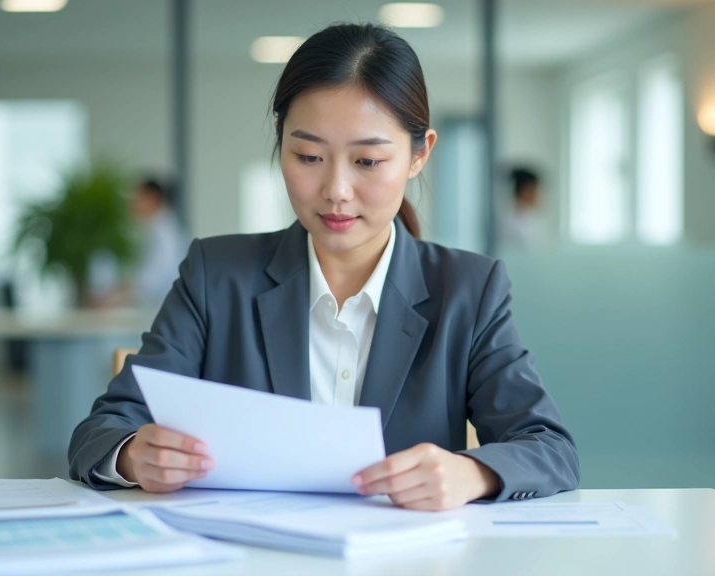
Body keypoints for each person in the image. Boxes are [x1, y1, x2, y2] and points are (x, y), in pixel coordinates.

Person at [69, 23, 578, 511]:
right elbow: (101, 432)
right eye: (308, 156)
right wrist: (133, 455)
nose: (336, 189)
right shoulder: (216, 276)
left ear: (420, 154)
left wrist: (472, 473)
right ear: (280, 140)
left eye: (368, 161)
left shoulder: (469, 290)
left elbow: (550, 449)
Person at [90, 178, 188, 307]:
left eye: (137, 197)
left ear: (153, 198)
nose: (132, 202)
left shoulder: (164, 235)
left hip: (162, 308)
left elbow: (151, 283)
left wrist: (111, 299)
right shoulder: (156, 230)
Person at [501, 166, 549, 248]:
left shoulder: (532, 219)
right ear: (524, 191)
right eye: (535, 189)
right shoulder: (509, 222)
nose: (539, 195)